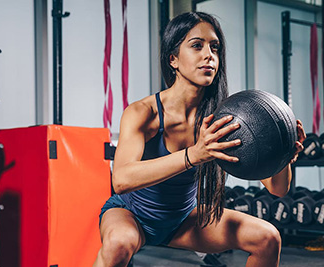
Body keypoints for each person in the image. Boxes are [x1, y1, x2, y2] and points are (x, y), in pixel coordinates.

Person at [93, 11, 306, 267]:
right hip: (132, 214)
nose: (209, 55)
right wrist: (194, 155)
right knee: (118, 244)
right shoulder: (144, 113)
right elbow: (122, 180)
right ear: (173, 59)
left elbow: (278, 189)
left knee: (267, 238)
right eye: (197, 46)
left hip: (183, 220)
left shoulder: (225, 118)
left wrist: (284, 157)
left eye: (214, 48)